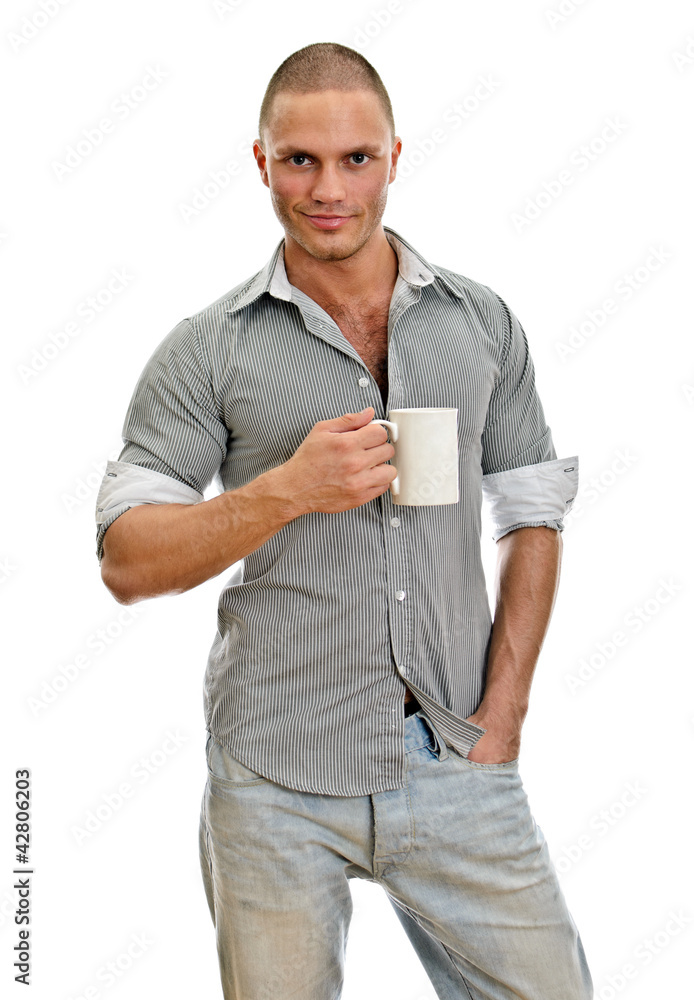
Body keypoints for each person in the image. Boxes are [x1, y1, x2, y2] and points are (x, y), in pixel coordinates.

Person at [95, 41, 593, 1000]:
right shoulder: (206, 350)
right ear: (261, 161)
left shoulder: (479, 322)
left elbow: (532, 510)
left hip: (456, 751)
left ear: (396, 156)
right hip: (274, 775)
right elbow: (124, 557)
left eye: (356, 159)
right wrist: (288, 489)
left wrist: (507, 714)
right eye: (300, 160)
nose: (329, 189)